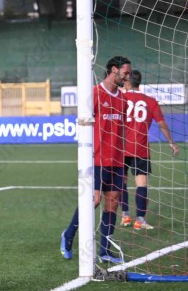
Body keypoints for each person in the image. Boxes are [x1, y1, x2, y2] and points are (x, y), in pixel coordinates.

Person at [60, 56, 131, 263]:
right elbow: (83, 126)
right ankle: (68, 235)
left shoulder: (123, 100)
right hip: (97, 159)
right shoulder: (94, 94)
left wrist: (124, 164)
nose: (127, 77)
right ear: (114, 70)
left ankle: (105, 251)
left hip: (117, 161)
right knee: (93, 200)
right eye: (125, 73)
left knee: (112, 205)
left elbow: (121, 132)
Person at [120, 69, 180, 230]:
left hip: (121, 147)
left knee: (121, 181)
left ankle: (125, 216)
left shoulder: (121, 98)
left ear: (127, 81)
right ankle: (140, 220)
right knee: (141, 183)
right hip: (140, 147)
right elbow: (161, 123)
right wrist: (171, 142)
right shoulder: (150, 101)